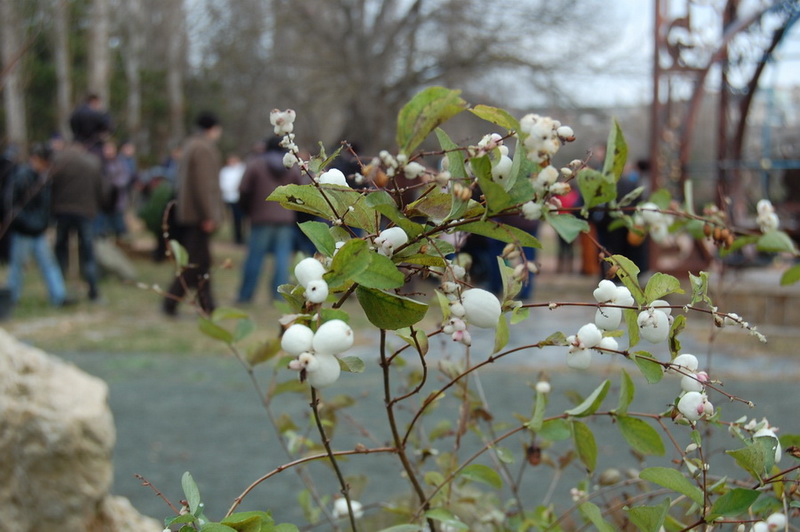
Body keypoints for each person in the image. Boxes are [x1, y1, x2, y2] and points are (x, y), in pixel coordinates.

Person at [162, 112, 223, 316]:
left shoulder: (190, 145)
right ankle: (171, 302)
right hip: (198, 215)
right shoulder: (203, 148)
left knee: (201, 262)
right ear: (212, 128)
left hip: (190, 212)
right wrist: (209, 215)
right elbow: (205, 185)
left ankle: (207, 304)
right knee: (195, 263)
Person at [236, 137, 302, 303]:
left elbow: (243, 190)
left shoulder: (256, 164)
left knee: (254, 258)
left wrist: (247, 210)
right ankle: (279, 296)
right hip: (285, 219)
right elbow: (300, 190)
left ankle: (245, 296)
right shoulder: (291, 166)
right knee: (282, 260)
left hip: (260, 218)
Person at [6, 143, 69, 306]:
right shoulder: (21, 177)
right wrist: (27, 222)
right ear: (35, 159)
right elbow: (11, 206)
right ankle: (11, 298)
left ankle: (59, 296)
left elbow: (46, 205)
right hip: (23, 231)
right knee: (18, 266)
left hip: (39, 231)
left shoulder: (45, 179)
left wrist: (45, 222)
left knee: (49, 263)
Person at [50, 140, 106, 301]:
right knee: (88, 253)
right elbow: (100, 188)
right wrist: (98, 207)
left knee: (61, 251)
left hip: (62, 211)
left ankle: (59, 291)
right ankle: (93, 292)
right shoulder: (92, 162)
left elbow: (51, 187)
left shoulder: (59, 161)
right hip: (85, 212)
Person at [219, 154, 246, 244]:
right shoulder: (224, 171)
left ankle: (241, 236)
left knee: (240, 218)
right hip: (228, 197)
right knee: (232, 218)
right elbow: (222, 183)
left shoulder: (242, 169)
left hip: (239, 197)